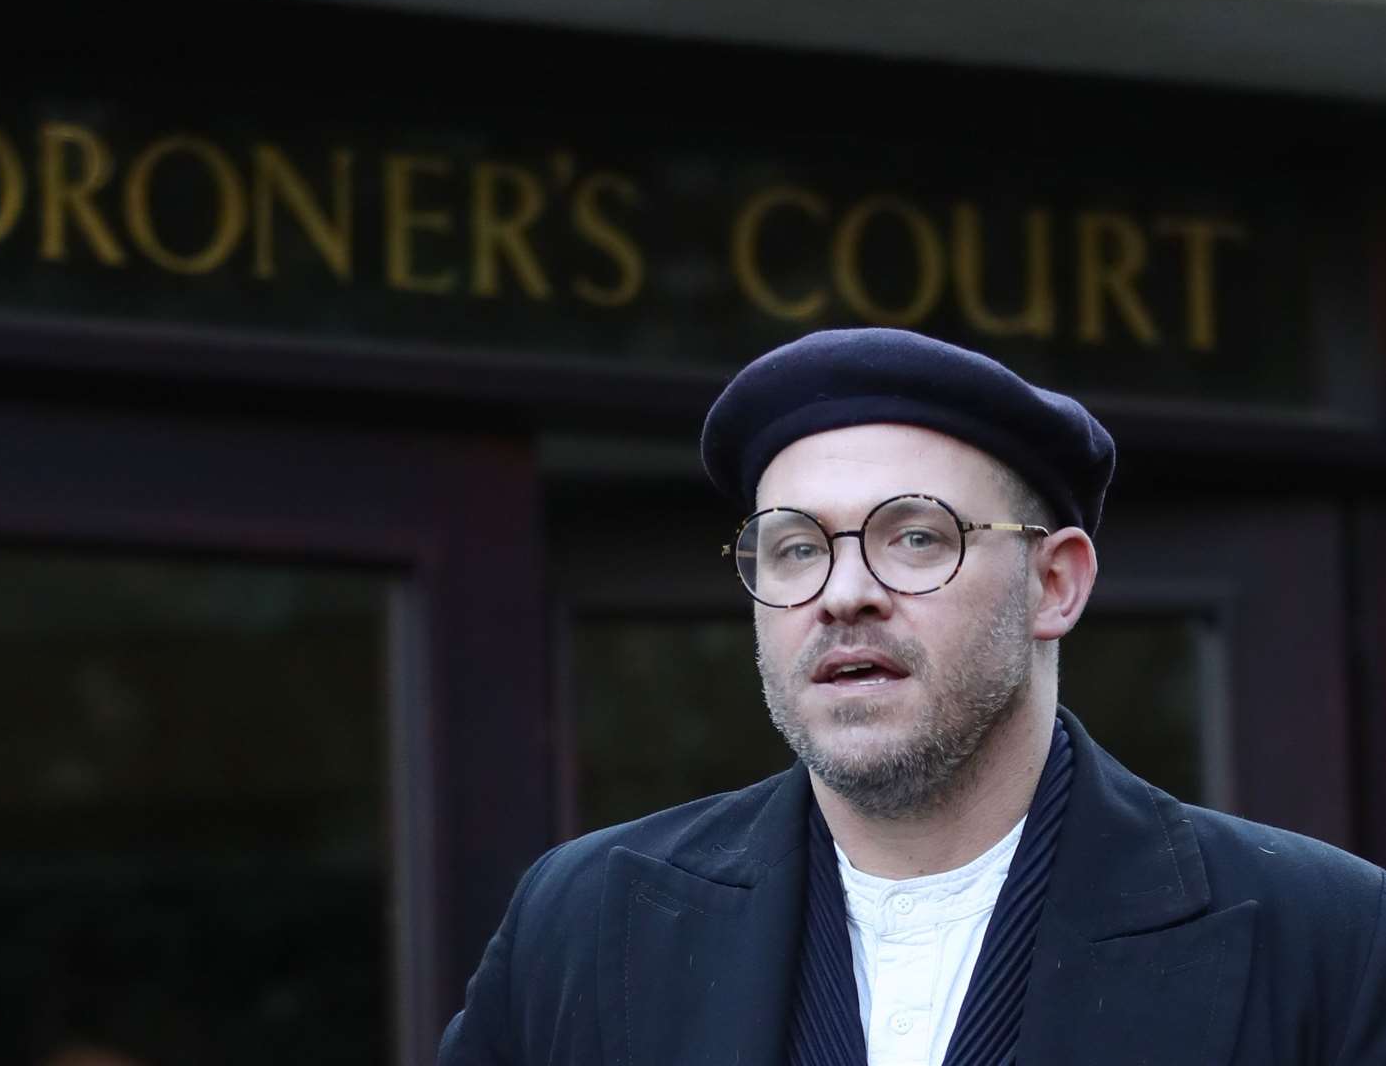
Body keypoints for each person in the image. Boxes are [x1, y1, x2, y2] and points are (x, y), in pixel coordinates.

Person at [438, 328, 1386, 1066]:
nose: (842, 592)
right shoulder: (583, 920)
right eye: (796, 547)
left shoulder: (1328, 937)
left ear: (1053, 584)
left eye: (915, 537)